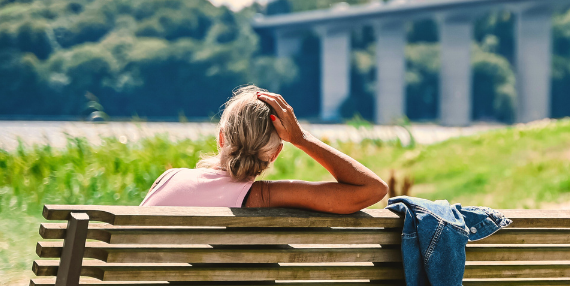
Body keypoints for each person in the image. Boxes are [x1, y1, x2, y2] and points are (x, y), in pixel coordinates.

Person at [141, 85, 388, 212]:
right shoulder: (264, 197)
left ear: (220, 139)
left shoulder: (167, 179)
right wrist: (301, 139)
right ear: (275, 154)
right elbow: (373, 189)